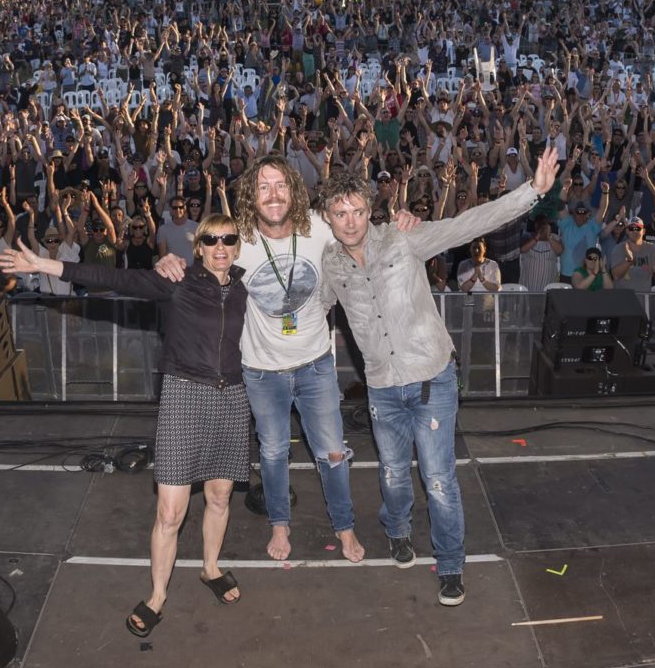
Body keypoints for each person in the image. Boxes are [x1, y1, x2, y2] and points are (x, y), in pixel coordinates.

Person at [314, 145, 558, 605]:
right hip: (382, 389)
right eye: (340, 213)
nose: (350, 221)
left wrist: (532, 193)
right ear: (327, 217)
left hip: (432, 380)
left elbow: (468, 224)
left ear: (371, 210)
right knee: (391, 474)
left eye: (358, 211)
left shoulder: (403, 239)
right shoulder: (329, 263)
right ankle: (398, 530)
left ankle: (449, 565)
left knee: (440, 479)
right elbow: (312, 309)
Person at [0, 216, 250, 637]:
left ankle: (210, 568)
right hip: (185, 395)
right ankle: (157, 596)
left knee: (220, 496)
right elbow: (113, 275)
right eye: (211, 239)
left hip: (233, 397)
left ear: (238, 247)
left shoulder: (246, 286)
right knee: (170, 512)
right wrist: (46, 267)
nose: (220, 246)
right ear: (199, 247)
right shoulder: (178, 280)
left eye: (229, 239)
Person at [156, 157, 378, 563]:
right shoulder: (239, 240)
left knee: (332, 452)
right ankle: (280, 525)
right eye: (263, 187)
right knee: (273, 454)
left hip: (315, 365)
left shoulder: (319, 227)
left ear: (293, 189)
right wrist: (167, 261)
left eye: (280, 185)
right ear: (251, 196)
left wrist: (401, 221)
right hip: (261, 373)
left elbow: (357, 227)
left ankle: (345, 528)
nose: (273, 194)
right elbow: (204, 259)